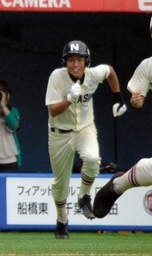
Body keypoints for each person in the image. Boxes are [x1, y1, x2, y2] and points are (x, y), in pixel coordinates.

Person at [45, 40, 127, 239]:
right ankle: (62, 219)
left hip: (85, 129)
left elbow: (109, 71)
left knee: (92, 159)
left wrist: (118, 97)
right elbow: (53, 111)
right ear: (65, 62)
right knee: (60, 184)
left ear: (86, 61)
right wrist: (69, 99)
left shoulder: (92, 75)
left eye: (79, 59)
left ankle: (83, 195)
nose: (75, 64)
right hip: (59, 133)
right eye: (71, 59)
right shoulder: (57, 76)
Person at [93, 18, 152, 219]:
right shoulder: (148, 66)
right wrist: (137, 100)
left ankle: (119, 183)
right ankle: (119, 184)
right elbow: (138, 100)